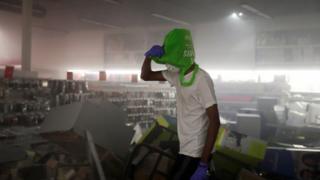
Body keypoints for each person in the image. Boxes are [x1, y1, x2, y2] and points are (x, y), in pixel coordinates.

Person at [140, 28, 220, 180]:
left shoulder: (201, 79)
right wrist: (148, 57)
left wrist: (203, 164)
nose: (168, 65)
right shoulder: (177, 75)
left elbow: (215, 121)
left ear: (182, 56)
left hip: (196, 151)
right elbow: (146, 75)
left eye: (170, 60)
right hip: (185, 146)